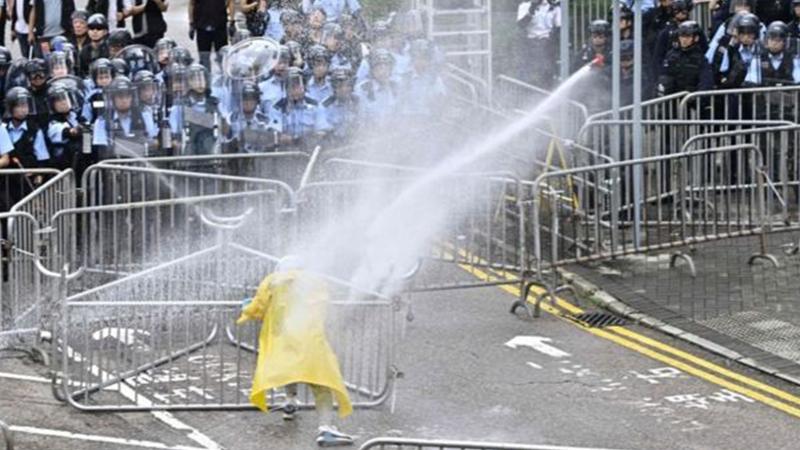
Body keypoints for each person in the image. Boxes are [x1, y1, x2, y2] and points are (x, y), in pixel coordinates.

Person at [235, 255, 355, 447]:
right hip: (310, 340)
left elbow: (257, 310)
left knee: (289, 371)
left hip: (282, 339)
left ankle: (290, 401)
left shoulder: (272, 281)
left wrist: (246, 308)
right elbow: (326, 307)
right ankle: (325, 428)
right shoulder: (316, 281)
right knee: (322, 384)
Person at [92, 75, 158, 159]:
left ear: (132, 97)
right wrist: (136, 146)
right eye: (120, 96)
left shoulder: (144, 115)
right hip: (113, 165)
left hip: (141, 164)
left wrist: (120, 146)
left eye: (127, 96)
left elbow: (152, 144)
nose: (124, 100)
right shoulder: (102, 121)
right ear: (113, 98)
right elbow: (103, 151)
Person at [223, 80, 281, 153]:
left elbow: (274, 140)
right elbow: (224, 142)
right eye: (245, 99)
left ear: (257, 100)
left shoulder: (265, 120)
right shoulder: (231, 119)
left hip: (259, 159)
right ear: (240, 100)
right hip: (236, 160)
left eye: (251, 99)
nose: (248, 103)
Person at [275, 66, 327, 148]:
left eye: (298, 86)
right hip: (285, 153)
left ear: (305, 87)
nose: (295, 90)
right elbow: (276, 135)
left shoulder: (316, 106)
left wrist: (300, 141)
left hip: (310, 151)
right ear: (285, 88)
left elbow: (321, 133)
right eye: (291, 86)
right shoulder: (277, 108)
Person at [658, 20, 714, 95]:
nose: (684, 40)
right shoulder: (671, 56)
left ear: (696, 38)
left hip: (692, 101)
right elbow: (664, 76)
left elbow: (706, 83)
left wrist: (694, 99)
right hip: (672, 101)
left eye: (688, 36)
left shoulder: (701, 59)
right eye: (682, 36)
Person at [516, 0, 559, 87]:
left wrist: (551, 39)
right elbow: (521, 24)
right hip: (530, 42)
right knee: (528, 72)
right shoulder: (525, 5)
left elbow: (559, 26)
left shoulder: (553, 7)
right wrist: (532, 9)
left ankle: (547, 87)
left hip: (547, 43)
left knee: (546, 72)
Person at [188, 0, 233, 71]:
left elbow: (230, 2)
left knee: (222, 57)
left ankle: (224, 77)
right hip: (202, 26)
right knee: (204, 57)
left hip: (219, 26)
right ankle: (206, 79)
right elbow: (191, 4)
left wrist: (232, 22)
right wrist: (191, 24)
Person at [46, 84, 81, 170]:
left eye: (65, 98)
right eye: (58, 100)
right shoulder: (53, 123)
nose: (63, 102)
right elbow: (69, 132)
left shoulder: (78, 117)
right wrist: (76, 130)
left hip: (81, 162)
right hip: (63, 163)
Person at [321, 67, 359, 144]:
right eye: (340, 86)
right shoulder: (325, 106)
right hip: (333, 147)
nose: (344, 89)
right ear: (334, 88)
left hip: (355, 144)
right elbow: (323, 134)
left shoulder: (358, 102)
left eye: (347, 85)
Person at [78, 13, 109, 77]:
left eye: (99, 28)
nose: (95, 31)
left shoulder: (109, 49)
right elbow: (81, 71)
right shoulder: (84, 50)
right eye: (91, 28)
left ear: (105, 31)